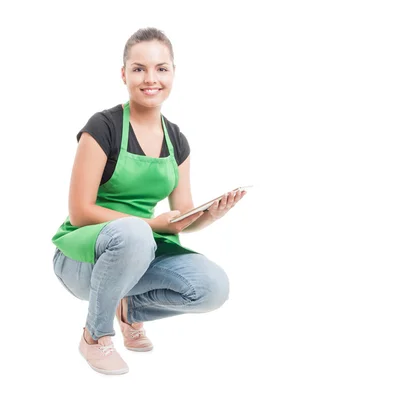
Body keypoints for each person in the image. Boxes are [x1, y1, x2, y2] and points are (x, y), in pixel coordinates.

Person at [51, 27, 247, 375]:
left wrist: (209, 215)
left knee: (213, 287)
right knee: (135, 234)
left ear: (173, 73)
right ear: (123, 74)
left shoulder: (177, 140)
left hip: (139, 254)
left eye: (161, 68)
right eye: (139, 68)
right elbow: (80, 212)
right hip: (82, 259)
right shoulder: (103, 127)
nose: (150, 78)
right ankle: (94, 336)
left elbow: (182, 214)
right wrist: (152, 225)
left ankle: (130, 310)